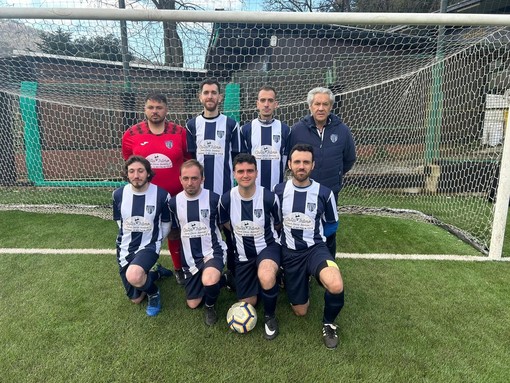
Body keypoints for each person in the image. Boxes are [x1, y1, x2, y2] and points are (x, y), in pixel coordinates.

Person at [273, 144, 344, 349]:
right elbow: (275, 221)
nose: (301, 166)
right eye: (297, 162)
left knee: (335, 284)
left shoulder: (324, 193)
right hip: (290, 253)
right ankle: (290, 275)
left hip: (315, 249)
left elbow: (332, 223)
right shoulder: (279, 191)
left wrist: (319, 238)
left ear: (313, 165)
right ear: (289, 164)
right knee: (300, 311)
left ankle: (329, 324)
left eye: (306, 162)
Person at [122, 93, 189, 285]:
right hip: (145, 197)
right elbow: (130, 162)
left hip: (175, 196)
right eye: (151, 107)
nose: (155, 111)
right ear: (145, 109)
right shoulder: (132, 134)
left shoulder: (179, 132)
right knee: (144, 232)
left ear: (166, 109)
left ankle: (178, 268)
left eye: (159, 107)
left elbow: (187, 158)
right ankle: (147, 267)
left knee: (175, 232)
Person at [219, 153, 281, 340]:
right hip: (243, 255)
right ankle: (247, 282)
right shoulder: (227, 199)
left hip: (267, 248)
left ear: (256, 172)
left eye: (250, 171)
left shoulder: (269, 198)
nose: (245, 175)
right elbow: (225, 223)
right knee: (249, 303)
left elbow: (277, 224)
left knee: (266, 274)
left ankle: (270, 317)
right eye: (241, 171)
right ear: (234, 174)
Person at [288, 87, 356, 256]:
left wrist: (337, 173)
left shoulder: (342, 130)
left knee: (329, 230)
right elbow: (289, 159)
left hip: (329, 191)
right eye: (317, 104)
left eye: (325, 104)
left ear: (331, 107)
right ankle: (302, 262)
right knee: (303, 227)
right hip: (303, 192)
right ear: (310, 106)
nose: (321, 108)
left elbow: (349, 158)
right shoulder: (297, 130)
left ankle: (328, 263)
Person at [186, 79, 241, 282]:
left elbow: (237, 158)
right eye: (206, 92)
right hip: (200, 193)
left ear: (220, 97)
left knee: (231, 233)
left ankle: (234, 272)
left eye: (214, 93)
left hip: (225, 191)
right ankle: (202, 271)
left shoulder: (231, 124)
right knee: (202, 232)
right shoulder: (192, 125)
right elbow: (191, 160)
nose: (210, 96)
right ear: (200, 97)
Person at [168, 160, 227, 326]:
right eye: (185, 178)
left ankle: (210, 306)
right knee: (193, 303)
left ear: (202, 179)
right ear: (180, 179)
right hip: (190, 259)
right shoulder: (173, 203)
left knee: (209, 280)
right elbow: (173, 232)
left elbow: (222, 225)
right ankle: (224, 280)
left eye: (194, 178)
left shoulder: (214, 199)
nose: (190, 183)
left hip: (212, 253)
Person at [112, 155, 172, 317]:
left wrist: (156, 241)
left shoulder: (161, 195)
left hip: (148, 246)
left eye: (140, 171)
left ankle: (154, 293)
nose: (136, 175)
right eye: (131, 171)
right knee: (136, 299)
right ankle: (156, 273)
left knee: (134, 275)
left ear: (148, 173)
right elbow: (120, 221)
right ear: (127, 174)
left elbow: (166, 224)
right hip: (125, 247)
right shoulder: (118, 194)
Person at [240, 85, 291, 190]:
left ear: (276, 104)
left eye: (270, 100)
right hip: (252, 190)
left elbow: (286, 162)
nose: (266, 104)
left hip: (277, 190)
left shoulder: (285, 130)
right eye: (263, 100)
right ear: (257, 104)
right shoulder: (245, 130)